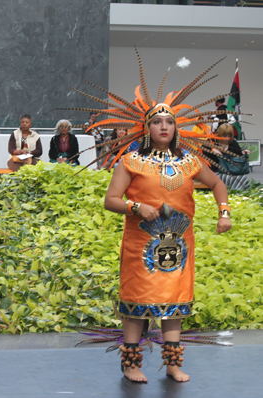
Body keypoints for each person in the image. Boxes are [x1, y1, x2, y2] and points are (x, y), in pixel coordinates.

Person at [73, 51, 237, 383]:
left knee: (174, 304)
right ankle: (131, 365)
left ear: (177, 127)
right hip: (140, 246)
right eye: (158, 122)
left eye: (170, 121)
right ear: (147, 127)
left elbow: (218, 183)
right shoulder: (131, 161)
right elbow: (111, 200)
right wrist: (137, 208)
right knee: (137, 305)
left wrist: (224, 213)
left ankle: (173, 364)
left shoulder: (189, 161)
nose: (164, 126)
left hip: (179, 245)